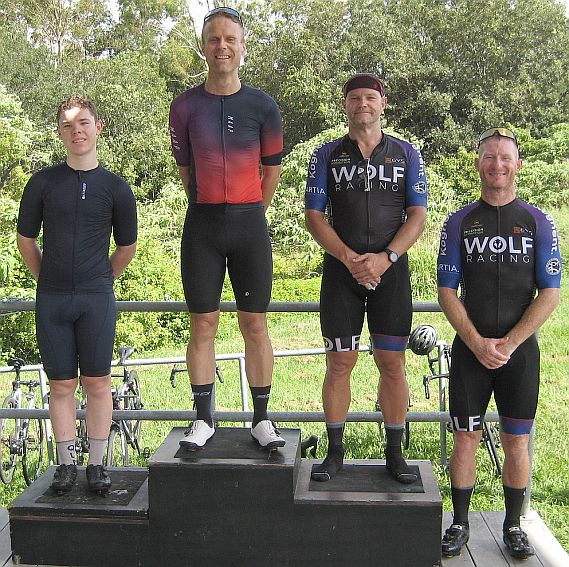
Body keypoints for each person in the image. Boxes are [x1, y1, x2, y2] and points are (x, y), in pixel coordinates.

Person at [438, 127, 561, 559]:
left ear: (518, 165)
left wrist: (509, 343)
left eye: (505, 157)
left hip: (519, 354)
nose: (497, 165)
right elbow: (447, 291)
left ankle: (513, 525)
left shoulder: (538, 222)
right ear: (478, 165)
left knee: (516, 441)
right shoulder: (458, 222)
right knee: (465, 439)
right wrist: (475, 342)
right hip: (470, 353)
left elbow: (550, 292)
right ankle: (459, 523)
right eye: (489, 157)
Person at [169, 7, 285, 450]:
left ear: (243, 46)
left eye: (229, 39)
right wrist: (212, 208)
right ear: (203, 46)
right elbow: (186, 171)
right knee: (203, 323)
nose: (222, 46)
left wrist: (249, 211)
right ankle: (203, 419)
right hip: (203, 225)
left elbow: (271, 171)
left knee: (255, 324)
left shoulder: (263, 106)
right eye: (214, 39)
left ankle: (262, 419)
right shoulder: (184, 106)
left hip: (248, 225)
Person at [305, 73, 428, 483]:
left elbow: (418, 215)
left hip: (391, 272)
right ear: (345, 105)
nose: (363, 104)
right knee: (340, 362)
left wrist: (386, 258)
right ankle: (335, 452)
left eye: (371, 98)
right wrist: (349, 258)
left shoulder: (407, 153)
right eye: (355, 98)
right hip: (342, 272)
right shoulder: (326, 154)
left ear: (383, 104)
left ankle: (394, 454)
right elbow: (314, 216)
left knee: (391, 363)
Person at [17, 96, 138, 494]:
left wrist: (101, 280)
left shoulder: (116, 188)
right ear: (59, 133)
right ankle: (66, 465)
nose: (77, 131)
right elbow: (26, 240)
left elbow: (126, 247)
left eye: (83, 122)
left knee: (98, 382)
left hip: (96, 299)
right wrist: (48, 279)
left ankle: (97, 464)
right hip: (52, 299)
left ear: (97, 127)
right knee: (61, 385)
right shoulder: (42, 183)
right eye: (68, 125)